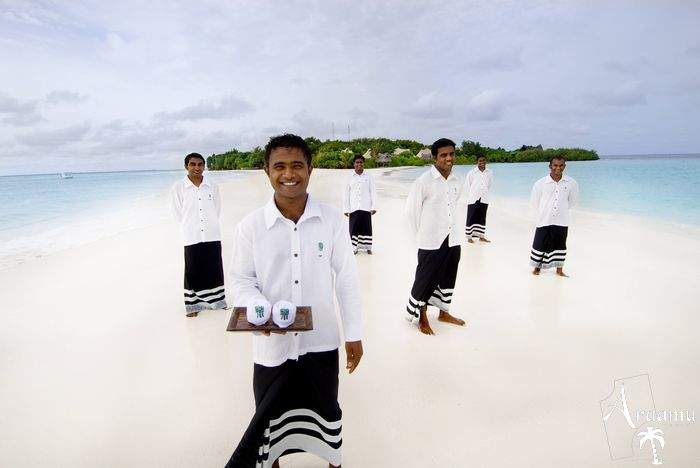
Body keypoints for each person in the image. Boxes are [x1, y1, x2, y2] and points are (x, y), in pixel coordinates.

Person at [226, 134, 363, 468]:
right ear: (267, 171)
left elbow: (346, 278)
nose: (289, 174)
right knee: (269, 422)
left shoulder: (332, 220)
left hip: (322, 342)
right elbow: (241, 280)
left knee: (327, 414)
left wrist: (353, 334)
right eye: (279, 166)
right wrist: (261, 311)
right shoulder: (250, 227)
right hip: (271, 348)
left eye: (297, 165)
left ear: (310, 169)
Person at [404, 138, 466, 335]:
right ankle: (422, 316)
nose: (448, 158)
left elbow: (453, 204)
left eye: (451, 154)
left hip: (453, 237)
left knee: (448, 275)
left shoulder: (457, 180)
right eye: (443, 155)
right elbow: (411, 212)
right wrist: (420, 239)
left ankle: (443, 312)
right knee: (426, 278)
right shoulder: (423, 181)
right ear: (434, 158)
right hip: (430, 239)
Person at [170, 152, 226, 317]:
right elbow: (177, 213)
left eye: (200, 164)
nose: (197, 167)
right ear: (186, 166)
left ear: (204, 166)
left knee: (214, 267)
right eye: (193, 164)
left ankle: (217, 302)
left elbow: (217, 209)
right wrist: (191, 224)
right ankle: (193, 306)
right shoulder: (178, 187)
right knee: (192, 270)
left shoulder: (212, 186)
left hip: (211, 233)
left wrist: (208, 224)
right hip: (191, 234)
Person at [529, 156, 579, 277]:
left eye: (561, 165)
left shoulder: (572, 183)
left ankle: (559, 270)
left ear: (564, 166)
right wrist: (546, 211)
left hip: (562, 219)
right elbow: (535, 202)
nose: (558, 168)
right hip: (544, 219)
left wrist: (561, 209)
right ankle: (537, 268)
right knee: (540, 243)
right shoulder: (540, 183)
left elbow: (572, 201)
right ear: (550, 166)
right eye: (555, 165)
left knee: (560, 244)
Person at [343, 155, 377, 254]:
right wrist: (346, 209)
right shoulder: (349, 177)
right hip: (353, 207)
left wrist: (374, 207)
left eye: (361, 162)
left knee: (366, 228)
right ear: (354, 164)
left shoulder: (369, 177)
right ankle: (354, 248)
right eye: (357, 162)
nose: (359, 164)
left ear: (363, 164)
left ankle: (368, 248)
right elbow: (346, 194)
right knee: (354, 228)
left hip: (366, 207)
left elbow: (373, 192)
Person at [464, 155, 493, 243]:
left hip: (484, 198)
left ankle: (481, 237)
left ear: (486, 161)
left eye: (483, 160)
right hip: (473, 198)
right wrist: (470, 196)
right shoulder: (472, 173)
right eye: (480, 161)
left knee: (482, 217)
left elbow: (489, 185)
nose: (482, 162)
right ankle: (469, 237)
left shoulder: (490, 172)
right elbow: (467, 185)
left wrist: (483, 192)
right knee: (471, 217)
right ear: (477, 162)